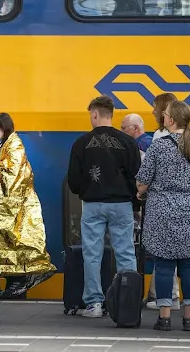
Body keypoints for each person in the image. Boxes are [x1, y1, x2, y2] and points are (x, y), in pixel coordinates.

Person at [136, 100, 190, 331]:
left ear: (170, 120)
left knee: (163, 266)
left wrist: (142, 192)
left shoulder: (159, 147)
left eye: (165, 115)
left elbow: (142, 183)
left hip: (163, 212)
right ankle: (189, 319)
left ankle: (164, 318)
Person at [67, 95, 140, 318]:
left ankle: (94, 304)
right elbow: (136, 176)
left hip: (93, 204)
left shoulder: (81, 143)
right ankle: (128, 303)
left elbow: (73, 180)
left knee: (92, 254)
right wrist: (134, 204)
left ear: (95, 114)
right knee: (126, 253)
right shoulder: (128, 142)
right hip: (121, 204)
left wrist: (86, 191)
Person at [0, 112, 56, 298]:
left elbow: (14, 178)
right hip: (16, 206)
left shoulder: (14, 146)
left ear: (4, 127)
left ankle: (17, 286)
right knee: (12, 248)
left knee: (15, 246)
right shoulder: (7, 146)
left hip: (16, 208)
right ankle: (14, 285)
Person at [145, 92, 182, 310]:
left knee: (164, 251)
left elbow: (153, 171)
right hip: (184, 202)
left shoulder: (161, 136)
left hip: (163, 201)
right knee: (177, 252)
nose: (152, 111)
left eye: (154, 107)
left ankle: (169, 297)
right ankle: (164, 295)